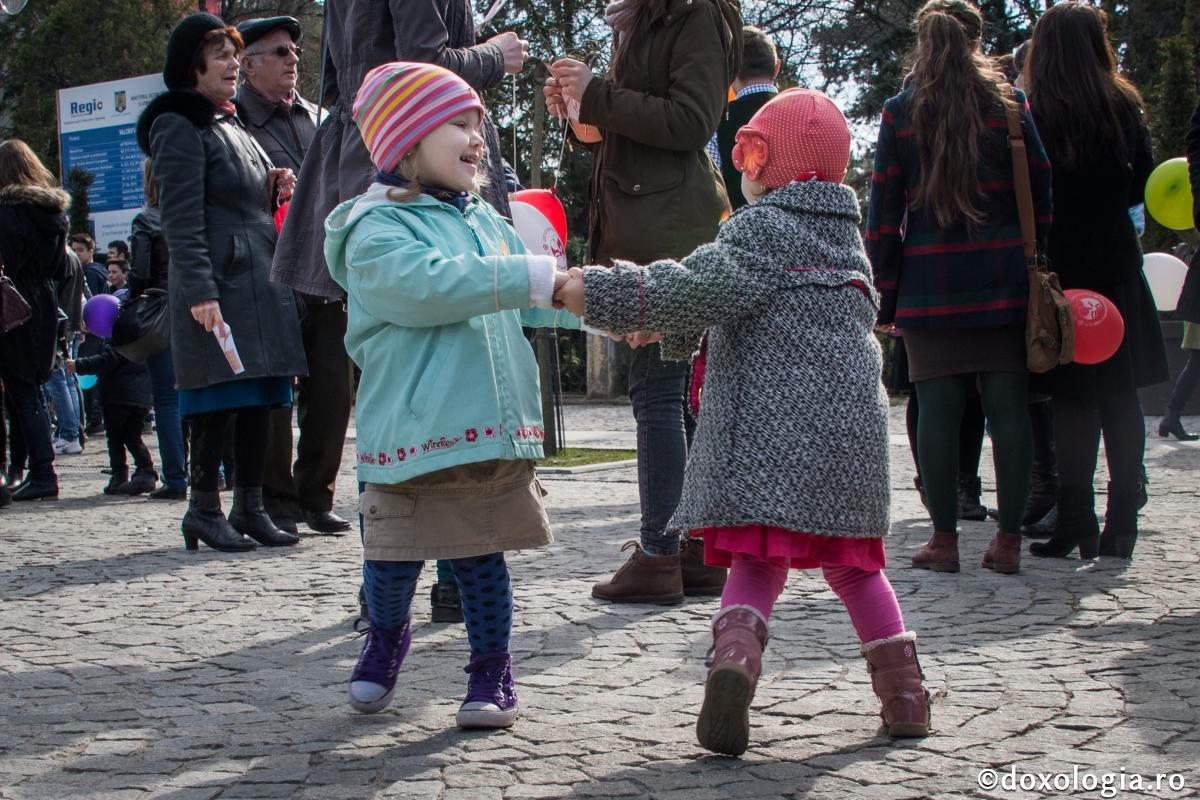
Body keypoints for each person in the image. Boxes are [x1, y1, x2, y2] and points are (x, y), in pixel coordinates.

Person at [556, 88, 931, 756]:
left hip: (771, 444)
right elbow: (744, 306)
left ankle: (734, 659)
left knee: (759, 562)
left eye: (751, 152)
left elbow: (693, 285)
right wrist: (666, 331)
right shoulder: (847, 242)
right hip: (851, 446)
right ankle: (904, 695)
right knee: (858, 572)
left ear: (767, 165)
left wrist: (606, 293)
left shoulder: (762, 231)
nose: (743, 168)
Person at [324, 62, 577, 727]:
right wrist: (530, 276)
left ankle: (490, 670)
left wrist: (596, 306)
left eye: (478, 124)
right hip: (411, 428)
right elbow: (427, 287)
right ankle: (385, 637)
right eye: (459, 123)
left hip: (482, 425)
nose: (478, 138)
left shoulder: (488, 223)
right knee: (392, 556)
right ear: (406, 140)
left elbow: (530, 301)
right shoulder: (374, 229)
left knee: (480, 556)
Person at [272, 0, 530, 623]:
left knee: (390, 379)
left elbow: (340, 83)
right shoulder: (392, 209)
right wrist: (497, 55)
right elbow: (425, 63)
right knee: (416, 362)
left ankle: (398, 586)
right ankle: (427, 582)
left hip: (369, 157)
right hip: (411, 164)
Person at [544, 0, 742, 603]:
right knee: (674, 397)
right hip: (647, 224)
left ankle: (660, 554)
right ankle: (698, 552)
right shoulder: (643, 19)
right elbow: (628, 132)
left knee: (657, 393)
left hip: (671, 231)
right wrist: (580, 116)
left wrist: (598, 93)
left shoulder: (696, 13)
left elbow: (691, 121)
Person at [866, 0, 1049, 575]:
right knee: (1008, 411)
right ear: (975, 43)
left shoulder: (901, 112)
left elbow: (882, 217)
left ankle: (944, 542)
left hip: (929, 282)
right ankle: (1009, 542)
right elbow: (1041, 195)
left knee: (939, 412)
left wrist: (885, 294)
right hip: (1004, 280)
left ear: (922, 46)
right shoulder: (1011, 106)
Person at [137, 13, 308, 552]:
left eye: (236, 54)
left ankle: (250, 506)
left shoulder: (228, 123)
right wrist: (201, 293)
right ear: (194, 66)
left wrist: (271, 183)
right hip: (222, 282)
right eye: (223, 55)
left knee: (260, 395)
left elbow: (236, 191)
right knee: (218, 398)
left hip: (257, 275)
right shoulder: (178, 124)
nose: (235, 64)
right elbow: (181, 219)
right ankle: (203, 509)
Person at [1024, 2, 1166, 561]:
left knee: (1072, 399)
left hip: (1060, 265)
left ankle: (1076, 518)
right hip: (1116, 260)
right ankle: (1122, 521)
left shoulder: (1036, 111)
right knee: (1120, 393)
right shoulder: (1124, 105)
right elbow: (1141, 190)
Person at [233, 15, 351, 535]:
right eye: (280, 51)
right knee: (277, 394)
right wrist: (264, 185)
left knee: (332, 387)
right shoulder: (234, 121)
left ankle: (315, 495)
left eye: (295, 52)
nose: (293, 59)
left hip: (325, 271)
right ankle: (275, 500)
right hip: (269, 274)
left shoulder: (315, 117)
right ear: (249, 63)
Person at [0, 139, 68, 503]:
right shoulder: (53, 212)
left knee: (23, 393)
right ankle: (25, 470)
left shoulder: (8, 213)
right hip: (43, 301)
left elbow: (6, 263)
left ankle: (42, 471)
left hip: (14, 305)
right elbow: (59, 268)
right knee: (30, 390)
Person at [128, 158, 188, 500]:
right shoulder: (191, 214)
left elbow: (139, 272)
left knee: (166, 399)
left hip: (161, 310)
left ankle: (176, 478)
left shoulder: (147, 219)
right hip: (196, 307)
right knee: (201, 394)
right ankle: (219, 471)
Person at [68, 325, 157, 495]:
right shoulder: (144, 332)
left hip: (118, 396)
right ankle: (146, 469)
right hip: (140, 396)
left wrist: (78, 365)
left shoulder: (120, 334)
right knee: (133, 437)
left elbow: (107, 360)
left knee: (115, 438)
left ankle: (120, 475)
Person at [708, 25, 779, 210]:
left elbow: (712, 190)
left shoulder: (716, 123)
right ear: (776, 67)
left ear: (731, 71)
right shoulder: (806, 111)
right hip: (801, 234)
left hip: (741, 232)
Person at [71, 233, 108, 298]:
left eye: (80, 250)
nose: (76, 253)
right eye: (73, 250)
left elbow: (91, 301)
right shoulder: (99, 269)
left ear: (90, 252)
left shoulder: (90, 273)